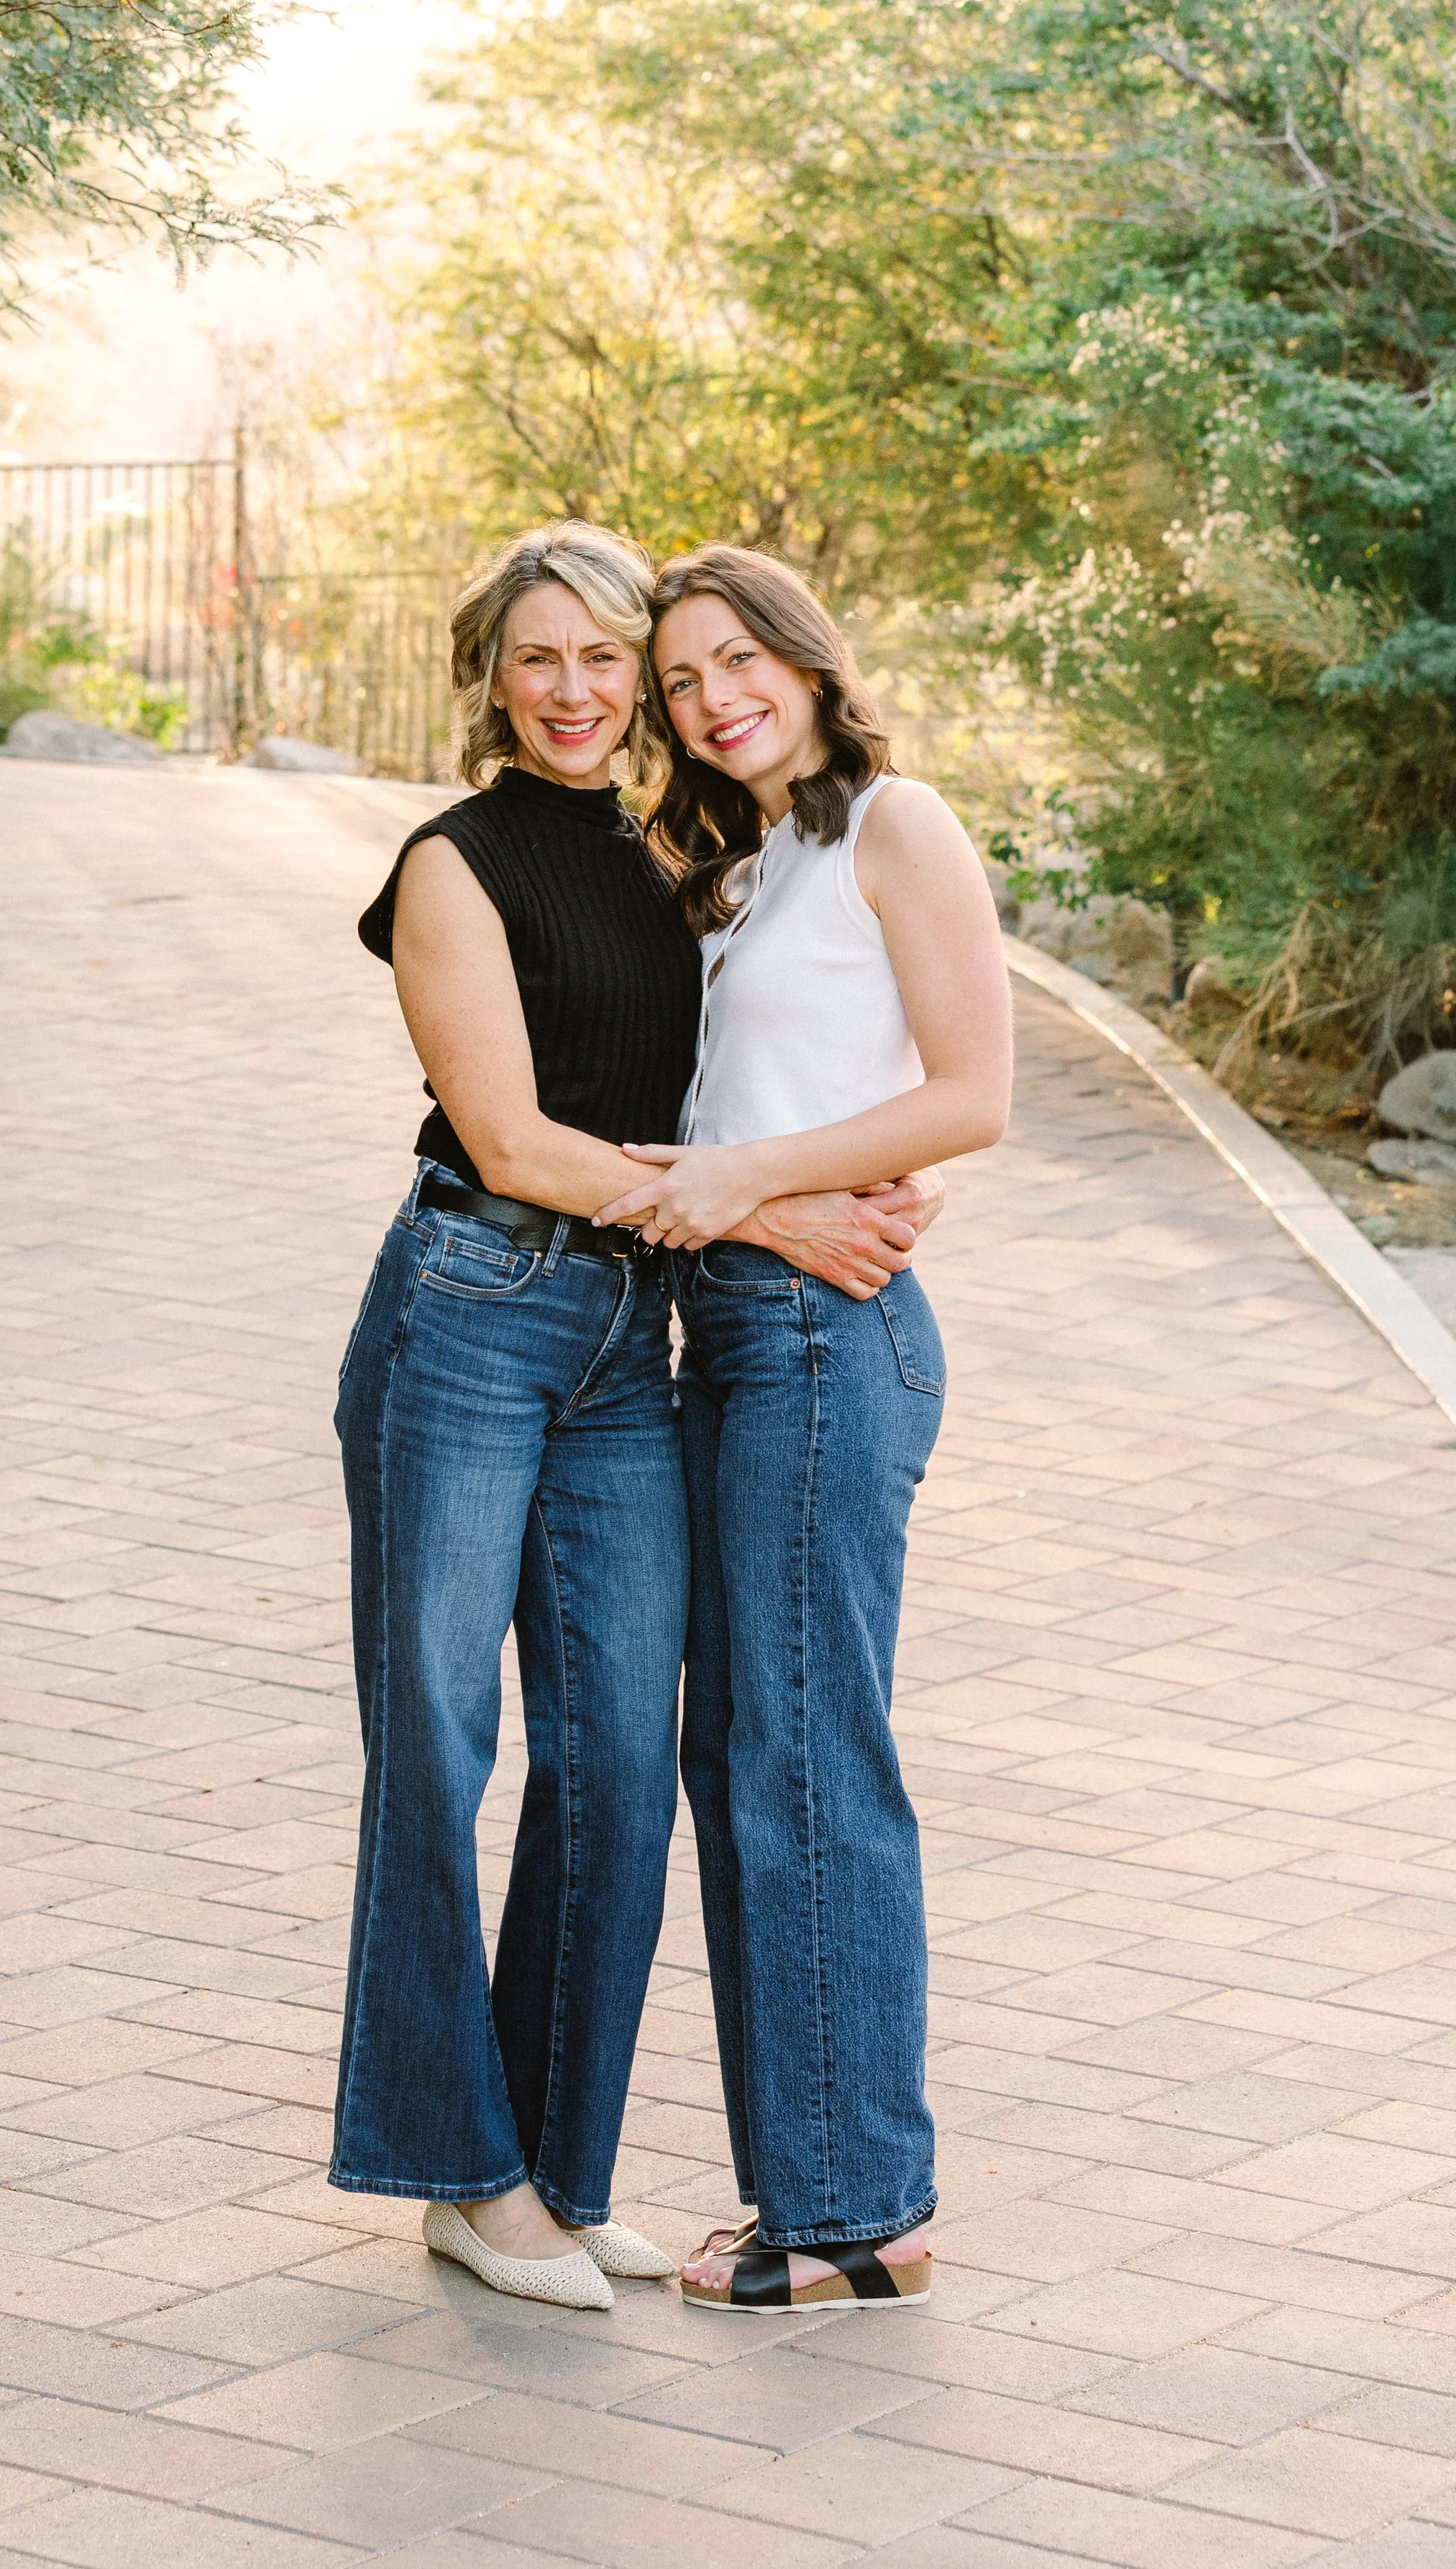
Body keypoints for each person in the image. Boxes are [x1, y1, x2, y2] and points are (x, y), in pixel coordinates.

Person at [329, 521, 938, 2312]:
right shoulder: (450, 862)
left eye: (614, 660)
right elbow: (514, 1142)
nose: (585, 691)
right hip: (468, 1314)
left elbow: (809, 1055)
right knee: (439, 1746)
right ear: (490, 679)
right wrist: (769, 1208)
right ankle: (456, 2167)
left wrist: (873, 1176)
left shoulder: (691, 852)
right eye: (543, 660)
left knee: (611, 1760)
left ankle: (558, 2166)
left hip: (628, 1338)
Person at [595, 544, 1013, 2314]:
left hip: (830, 1341)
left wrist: (750, 1180)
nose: (711, 698)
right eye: (681, 683)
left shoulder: (895, 822)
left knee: (803, 1763)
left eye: (733, 657)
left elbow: (970, 1092)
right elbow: (737, 1125)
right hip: (746, 1325)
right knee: (743, 1763)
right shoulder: (756, 867)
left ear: (805, 653)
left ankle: (855, 2210)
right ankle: (812, 2186)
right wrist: (738, 1192)